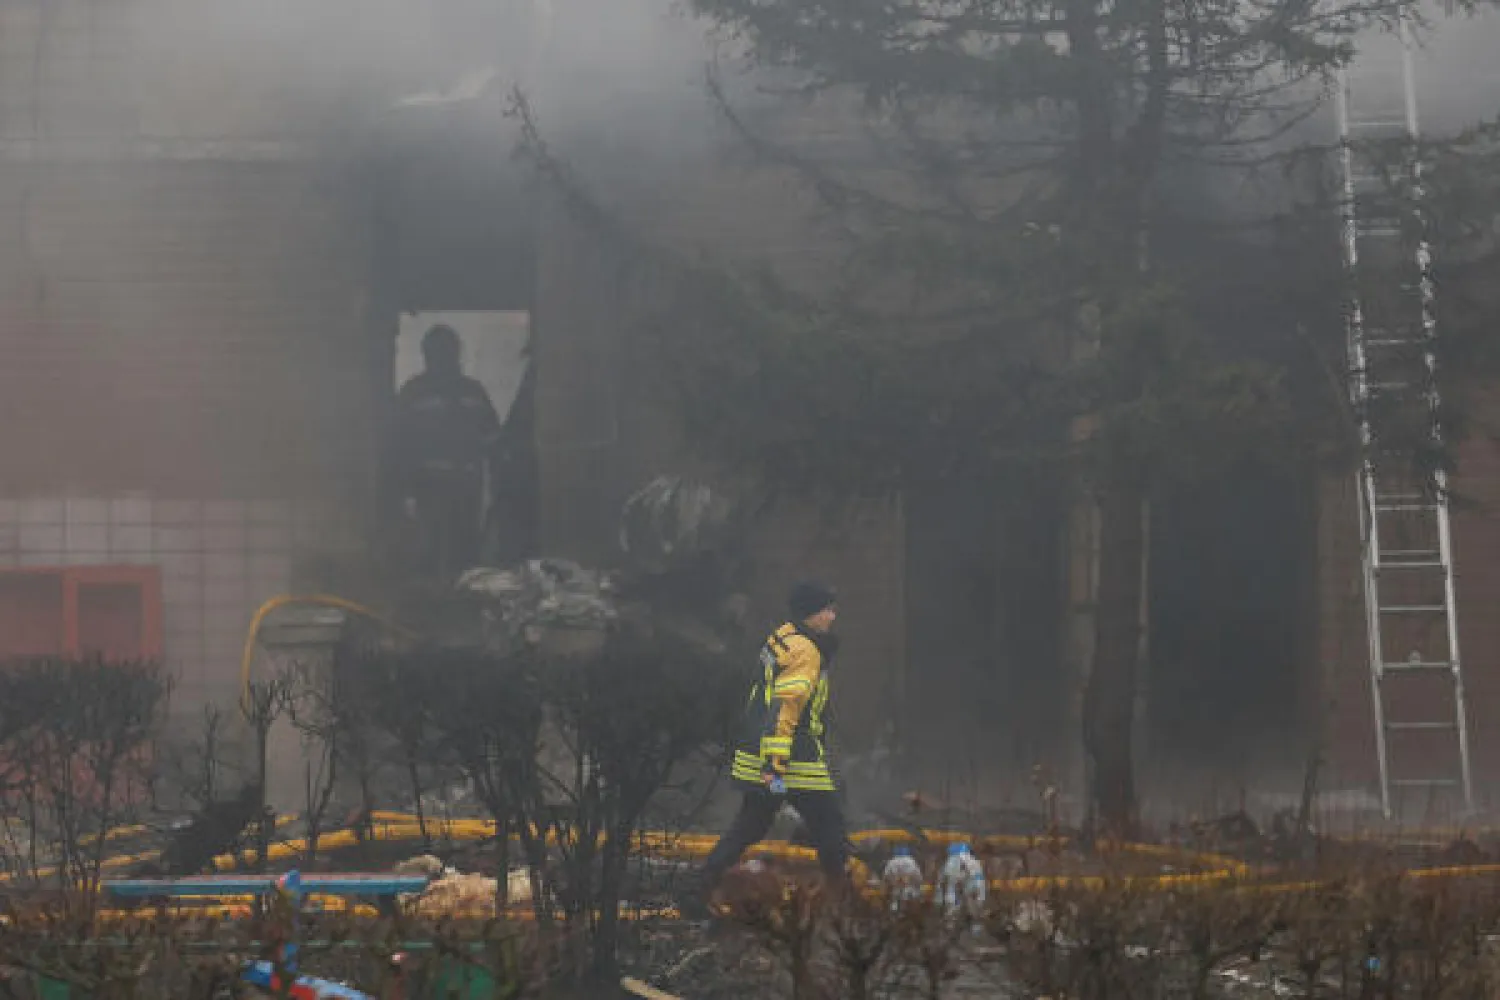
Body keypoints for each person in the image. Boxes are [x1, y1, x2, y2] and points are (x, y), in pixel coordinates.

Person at [697, 581, 848, 909]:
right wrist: (775, 769)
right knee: (831, 827)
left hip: (762, 755)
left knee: (750, 826)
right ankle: (841, 903)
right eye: (827, 609)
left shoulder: (782, 637)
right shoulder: (806, 652)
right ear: (811, 613)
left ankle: (703, 886)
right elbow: (785, 710)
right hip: (793, 761)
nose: (833, 616)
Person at [390, 324, 503, 579]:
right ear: (427, 355)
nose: (444, 357)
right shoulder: (414, 393)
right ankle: (431, 607)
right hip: (428, 486)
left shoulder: (473, 392)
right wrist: (405, 493)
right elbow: (398, 447)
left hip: (466, 484)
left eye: (448, 351)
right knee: (428, 549)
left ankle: (464, 605)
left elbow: (493, 441)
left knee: (466, 550)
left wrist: (496, 488)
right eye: (437, 352)